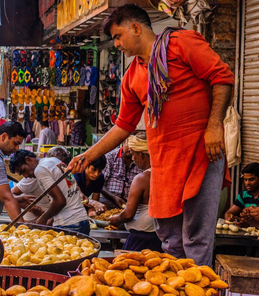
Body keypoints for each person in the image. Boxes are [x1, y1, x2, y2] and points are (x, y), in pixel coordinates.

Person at [69, 4, 234, 266]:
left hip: (201, 153)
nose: (117, 44)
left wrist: (214, 126)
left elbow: (222, 78)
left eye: (118, 36)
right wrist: (88, 156)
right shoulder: (131, 75)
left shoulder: (181, 43)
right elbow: (123, 125)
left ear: (136, 28)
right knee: (169, 236)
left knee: (196, 236)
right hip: (165, 163)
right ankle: (177, 292)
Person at [9, 149, 90, 234]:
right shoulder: (55, 161)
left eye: (24, 171)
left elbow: (60, 201)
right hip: (82, 220)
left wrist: (42, 219)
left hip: (68, 224)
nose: (26, 176)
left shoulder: (40, 170)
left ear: (28, 159)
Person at [109, 134, 163, 252]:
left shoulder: (141, 179)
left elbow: (128, 214)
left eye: (133, 155)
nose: (133, 159)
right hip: (159, 237)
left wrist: (116, 219)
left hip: (141, 239)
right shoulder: (164, 174)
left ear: (141, 155)